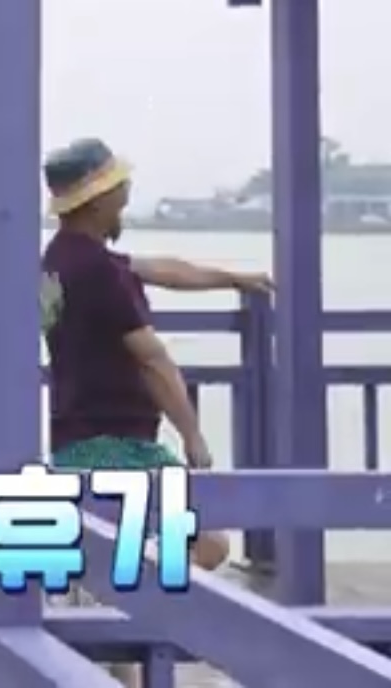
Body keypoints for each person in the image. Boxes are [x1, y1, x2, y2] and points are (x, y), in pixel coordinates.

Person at [41, 138, 268, 686]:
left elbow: (160, 269)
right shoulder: (98, 271)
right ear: (97, 199)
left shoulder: (60, 260)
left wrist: (230, 278)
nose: (126, 194)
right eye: (119, 187)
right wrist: (193, 437)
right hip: (120, 442)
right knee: (207, 544)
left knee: (115, 556)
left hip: (73, 436)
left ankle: (113, 635)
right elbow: (152, 358)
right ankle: (120, 617)